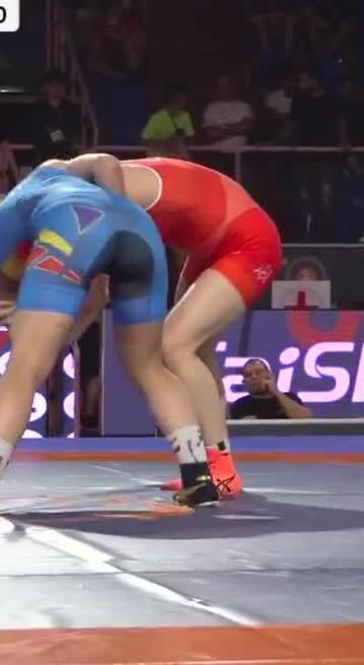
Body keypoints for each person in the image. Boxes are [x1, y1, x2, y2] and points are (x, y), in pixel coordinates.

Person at [0, 165, 219, 514]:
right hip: (137, 227)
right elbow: (95, 300)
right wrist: (114, 205)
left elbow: (23, 333)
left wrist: (42, 344)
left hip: (73, 230)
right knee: (149, 366)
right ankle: (198, 478)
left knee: (22, 370)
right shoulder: (48, 178)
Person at [46, 153, 285, 498]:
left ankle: (219, 464)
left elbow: (94, 296)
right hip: (209, 245)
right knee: (194, 349)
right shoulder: (91, 197)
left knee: (176, 344)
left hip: (248, 242)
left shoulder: (109, 193)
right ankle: (214, 465)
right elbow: (95, 297)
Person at [229, 359, 312, 420]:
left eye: (258, 372)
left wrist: (276, 392)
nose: (254, 377)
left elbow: (306, 419)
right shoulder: (240, 405)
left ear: (270, 376)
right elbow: (246, 427)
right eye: (248, 375)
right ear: (244, 382)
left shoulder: (289, 397)